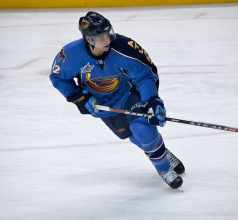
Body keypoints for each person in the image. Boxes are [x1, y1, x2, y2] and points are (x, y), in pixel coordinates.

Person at [49, 11, 185, 189]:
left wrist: (152, 100)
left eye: (108, 33)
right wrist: (81, 99)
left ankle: (164, 169)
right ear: (90, 40)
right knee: (131, 135)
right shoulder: (71, 55)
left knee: (142, 128)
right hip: (103, 105)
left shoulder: (124, 48)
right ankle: (162, 153)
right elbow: (58, 77)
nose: (107, 39)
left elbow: (145, 76)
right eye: (101, 36)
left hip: (129, 94)